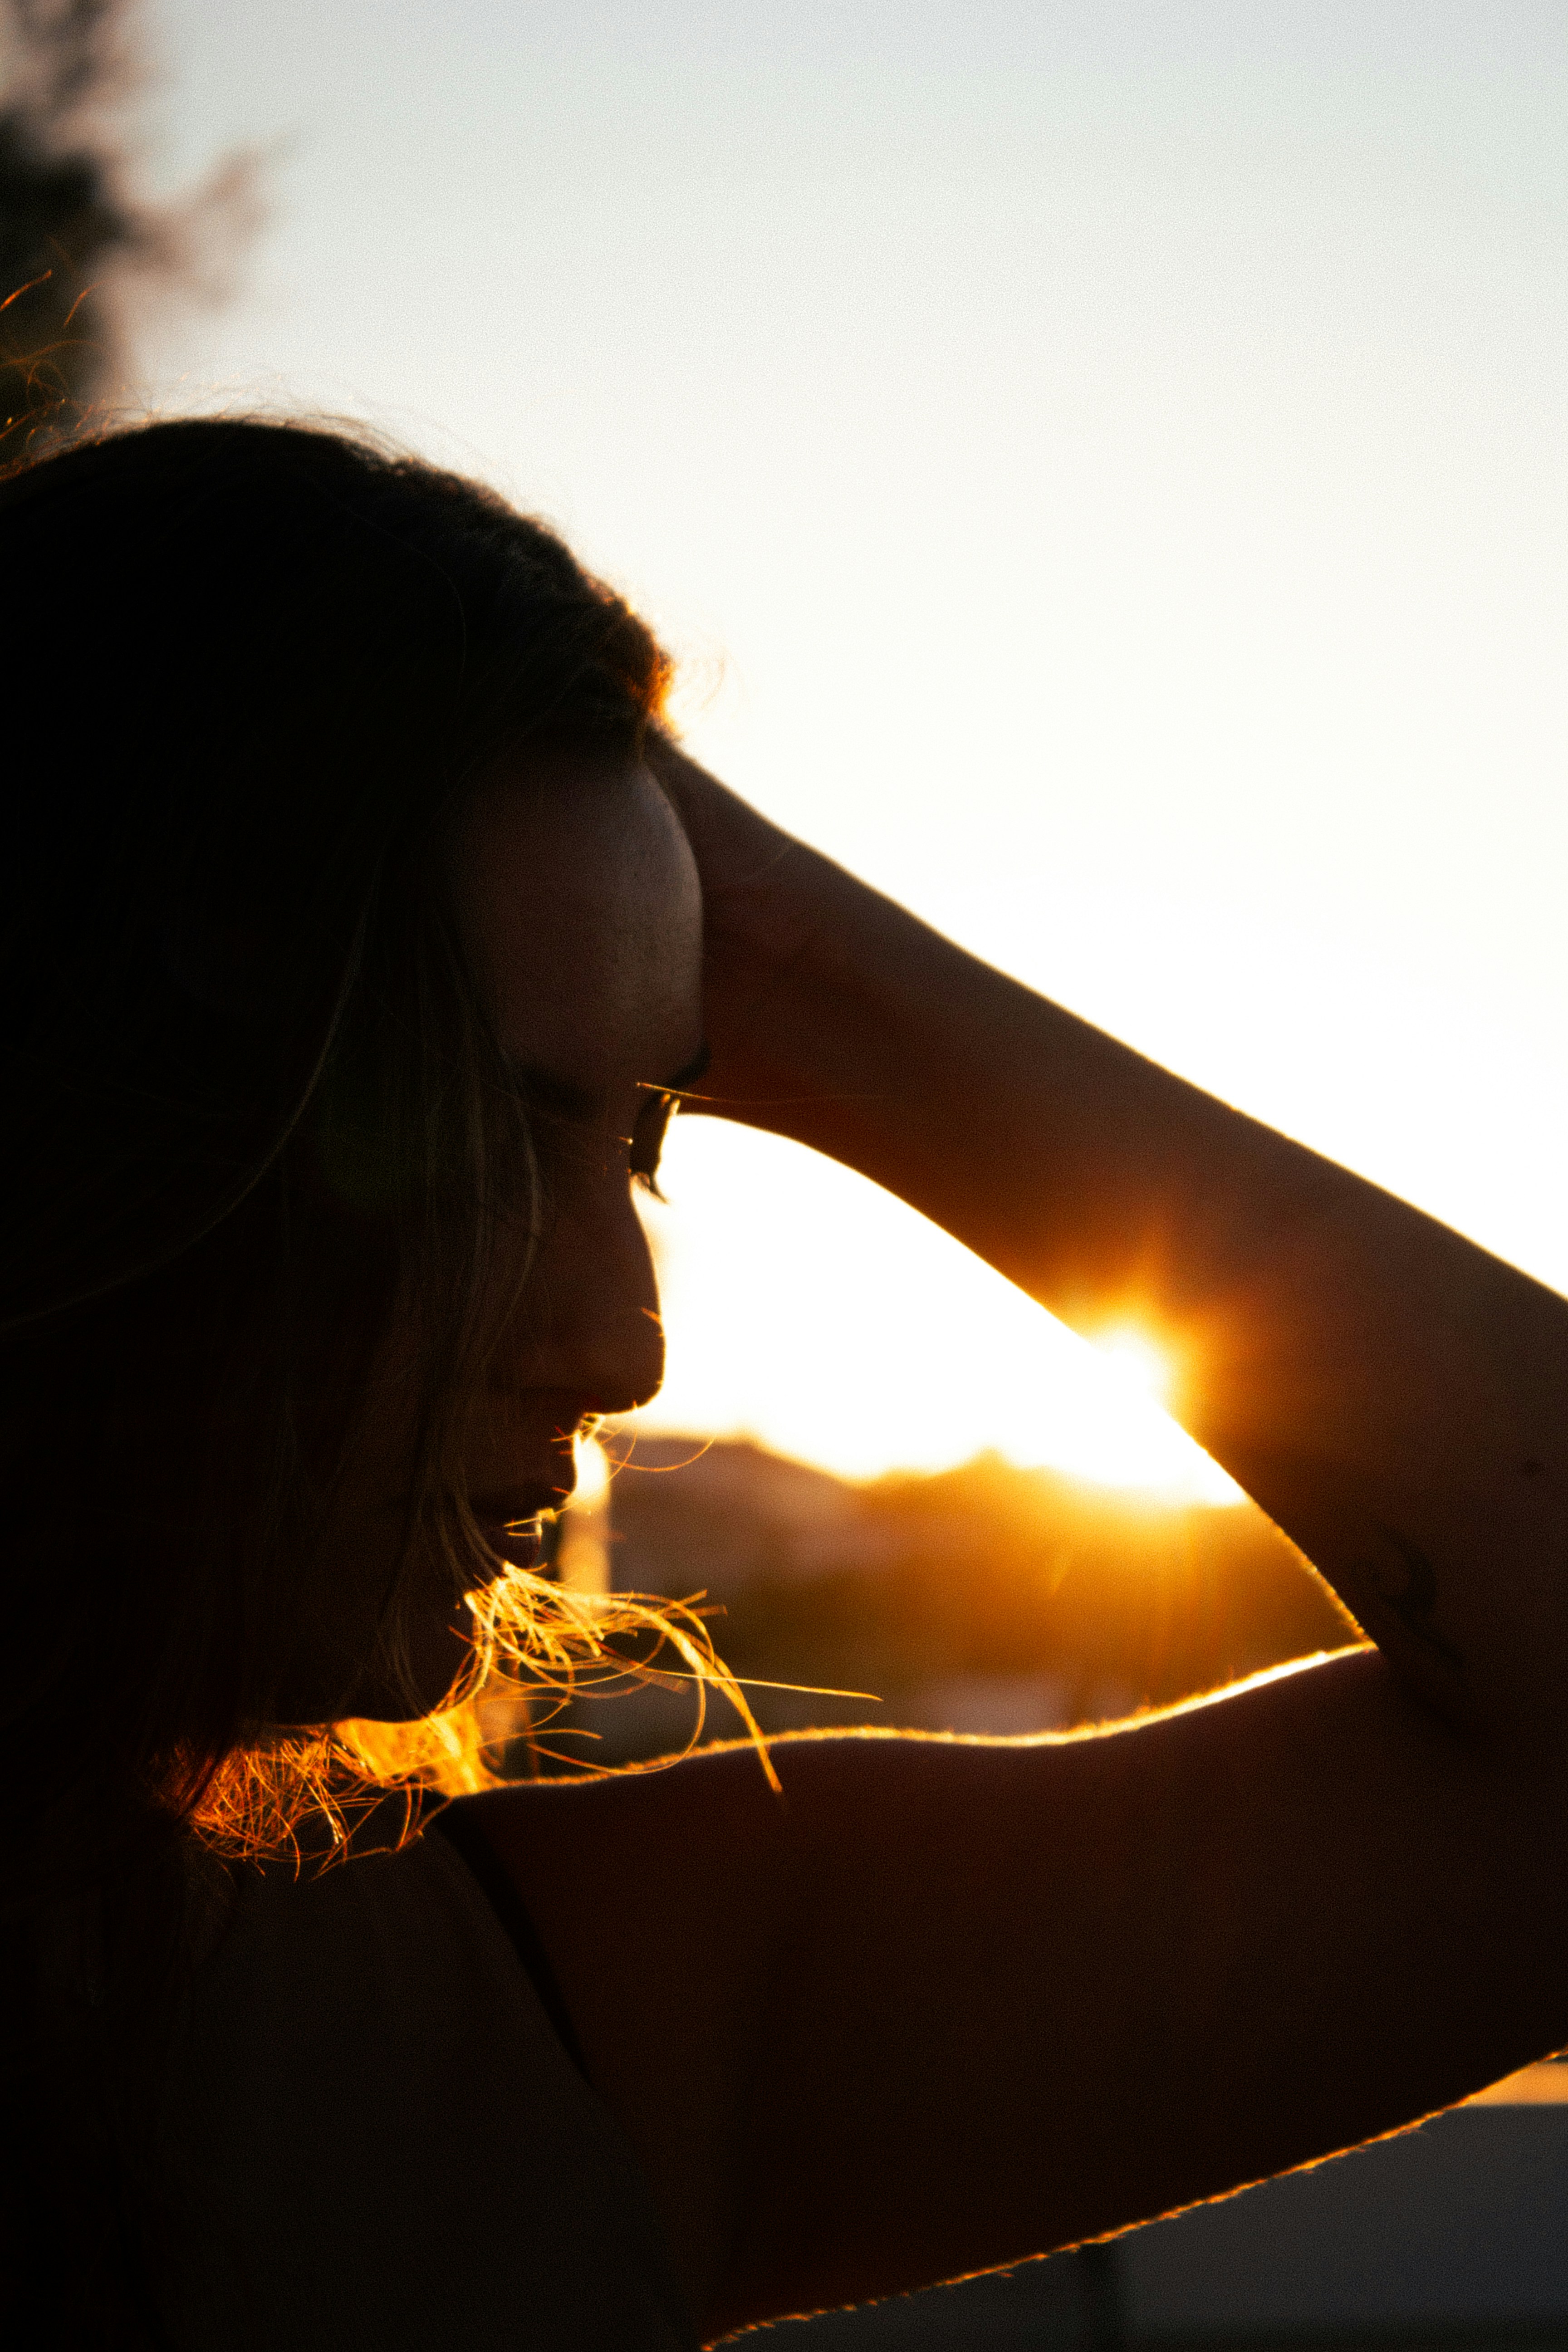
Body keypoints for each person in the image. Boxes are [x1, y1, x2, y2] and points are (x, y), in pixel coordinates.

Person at [2, 416, 1565, 2352]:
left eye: (650, 1132)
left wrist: (790, 951)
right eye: (484, 1130)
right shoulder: (539, 2050)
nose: (622, 1339)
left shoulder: (518, 2035)